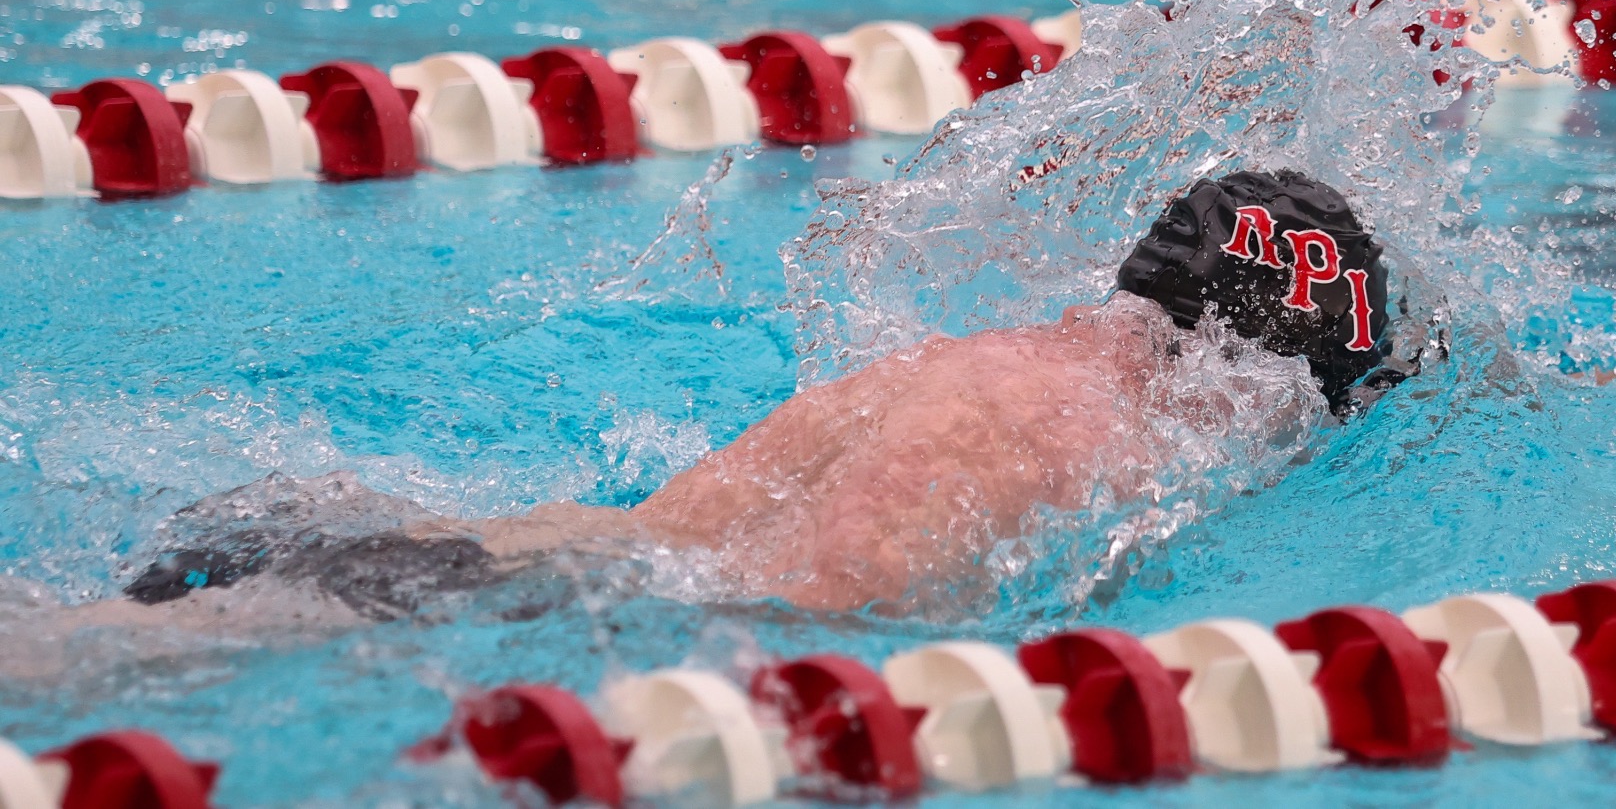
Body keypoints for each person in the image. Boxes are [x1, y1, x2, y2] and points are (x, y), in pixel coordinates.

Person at [0, 170, 1413, 673]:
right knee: (72, 672)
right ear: (1250, 359)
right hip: (445, 607)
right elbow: (779, 627)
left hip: (439, 549)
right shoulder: (1054, 434)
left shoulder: (1003, 360)